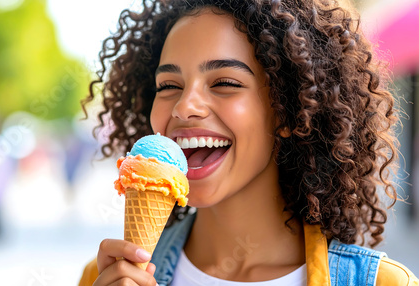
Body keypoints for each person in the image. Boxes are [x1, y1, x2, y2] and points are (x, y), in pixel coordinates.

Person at [79, 0, 419, 285]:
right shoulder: (106, 276)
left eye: (225, 82)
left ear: (288, 111)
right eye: (168, 85)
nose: (184, 107)